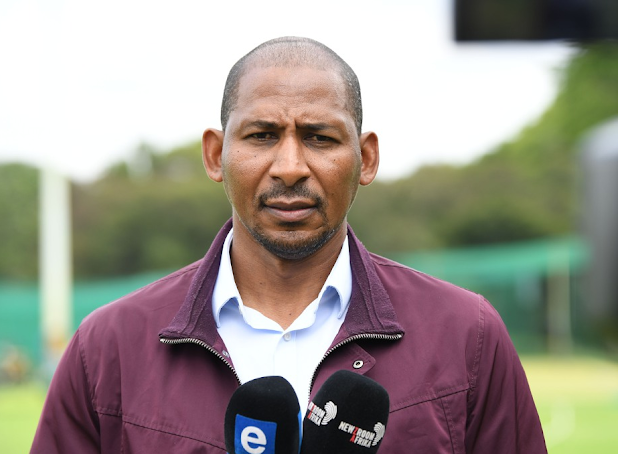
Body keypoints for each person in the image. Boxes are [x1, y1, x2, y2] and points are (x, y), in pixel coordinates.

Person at [31, 37, 547, 453]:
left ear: (365, 159)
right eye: (261, 135)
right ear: (216, 155)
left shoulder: (467, 335)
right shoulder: (108, 348)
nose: (291, 167)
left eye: (320, 137)